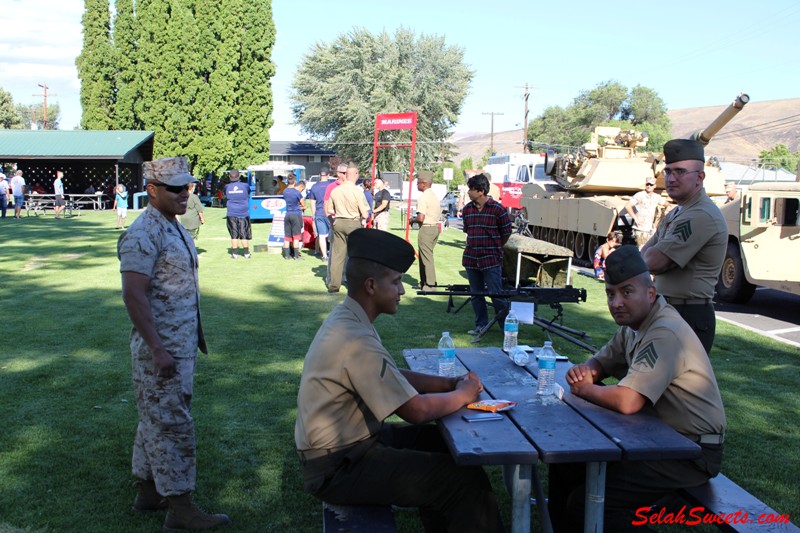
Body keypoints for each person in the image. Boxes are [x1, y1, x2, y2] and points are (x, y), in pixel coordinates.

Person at [295, 229, 504, 532]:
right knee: (460, 480)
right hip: (338, 467)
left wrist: (449, 384)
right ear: (371, 286)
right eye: (395, 282)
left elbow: (392, 375)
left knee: (445, 443)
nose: (401, 291)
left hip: (355, 445)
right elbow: (415, 411)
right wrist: (466, 392)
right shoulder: (355, 338)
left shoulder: (349, 318)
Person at [550, 245, 725, 532]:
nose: (616, 302)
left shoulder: (663, 331)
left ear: (651, 293)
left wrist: (584, 389)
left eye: (627, 292)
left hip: (691, 451)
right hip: (658, 438)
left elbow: (628, 401)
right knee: (566, 462)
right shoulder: (636, 324)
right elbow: (602, 361)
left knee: (589, 504)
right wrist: (587, 371)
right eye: (610, 293)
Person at [117, 156, 230, 531]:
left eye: (189, 186)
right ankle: (181, 511)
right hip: (160, 351)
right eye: (176, 188)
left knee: (155, 417)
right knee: (172, 424)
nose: (186, 193)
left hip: (176, 347)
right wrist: (158, 349)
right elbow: (133, 296)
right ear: (152, 190)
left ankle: (148, 492)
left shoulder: (171, 225)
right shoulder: (143, 232)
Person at [642, 139, 727, 354]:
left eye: (680, 172)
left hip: (687, 314)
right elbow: (643, 256)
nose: (670, 178)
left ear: (700, 177)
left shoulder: (700, 215)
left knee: (674, 386)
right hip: (669, 309)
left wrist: (650, 256)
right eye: (668, 172)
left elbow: (652, 262)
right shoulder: (678, 212)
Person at [461, 174, 512, 341]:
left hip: (490, 259)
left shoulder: (498, 209)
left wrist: (494, 246)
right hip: (471, 258)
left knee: (496, 294)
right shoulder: (467, 209)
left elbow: (506, 233)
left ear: (481, 191)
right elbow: (468, 231)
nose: (468, 192)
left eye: (471, 189)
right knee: (476, 294)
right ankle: (480, 325)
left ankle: (506, 328)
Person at [326, 165, 370, 293]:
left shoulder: (335, 190)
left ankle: (334, 285)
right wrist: (363, 220)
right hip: (353, 223)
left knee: (337, 255)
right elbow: (365, 213)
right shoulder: (357, 192)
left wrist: (334, 221)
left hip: (338, 222)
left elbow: (329, 211)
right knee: (356, 255)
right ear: (356, 174)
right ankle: (356, 285)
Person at [409, 176, 440, 290]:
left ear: (424, 184)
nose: (417, 185)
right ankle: (424, 283)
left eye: (418, 183)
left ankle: (430, 285)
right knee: (424, 256)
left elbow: (421, 218)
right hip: (434, 228)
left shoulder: (423, 198)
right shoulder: (433, 195)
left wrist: (412, 220)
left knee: (426, 257)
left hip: (426, 228)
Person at [623, 177, 667, 245]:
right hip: (640, 228)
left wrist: (662, 218)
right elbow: (628, 206)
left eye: (651, 185)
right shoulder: (640, 195)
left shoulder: (656, 197)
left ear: (655, 186)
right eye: (647, 184)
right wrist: (636, 219)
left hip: (650, 228)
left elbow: (667, 205)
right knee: (641, 249)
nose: (649, 186)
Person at [224, 169, 252, 259]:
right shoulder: (245, 186)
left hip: (231, 212)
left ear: (230, 177)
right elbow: (248, 193)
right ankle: (246, 253)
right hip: (243, 212)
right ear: (239, 176)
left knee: (234, 234)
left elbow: (225, 195)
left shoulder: (227, 187)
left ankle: (234, 254)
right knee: (244, 233)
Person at [307, 169, 333, 260]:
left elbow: (312, 203)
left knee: (321, 235)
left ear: (319, 175)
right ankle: (332, 253)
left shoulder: (314, 187)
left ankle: (324, 256)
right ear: (328, 175)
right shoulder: (332, 186)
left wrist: (313, 215)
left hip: (319, 213)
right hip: (330, 213)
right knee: (332, 234)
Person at [282, 176, 306, 260]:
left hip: (287, 214)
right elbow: (303, 205)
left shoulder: (284, 191)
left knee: (287, 236)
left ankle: (287, 255)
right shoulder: (296, 193)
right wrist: (303, 207)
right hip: (296, 214)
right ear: (295, 181)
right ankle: (296, 255)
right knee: (296, 236)